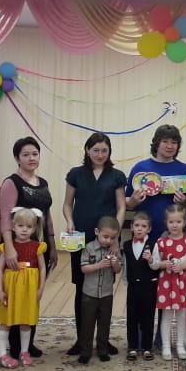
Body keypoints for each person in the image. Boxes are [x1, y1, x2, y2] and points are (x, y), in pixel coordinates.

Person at [63, 133, 127, 355]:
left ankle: (103, 341)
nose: (100, 155)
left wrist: (115, 236)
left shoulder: (117, 176)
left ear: (109, 152)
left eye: (104, 150)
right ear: (87, 150)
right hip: (81, 238)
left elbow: (121, 207)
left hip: (108, 239)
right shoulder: (75, 174)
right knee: (82, 288)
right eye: (96, 150)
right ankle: (82, 341)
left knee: (104, 290)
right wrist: (69, 221)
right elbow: (67, 204)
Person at [0, 136, 57, 359]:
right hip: (18, 247)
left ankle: (27, 344)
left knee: (32, 293)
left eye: (35, 154)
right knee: (16, 293)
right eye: (26, 154)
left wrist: (52, 245)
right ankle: (15, 345)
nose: (31, 158)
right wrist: (9, 248)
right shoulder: (11, 183)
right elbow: (5, 217)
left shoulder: (43, 183)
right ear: (17, 158)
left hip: (38, 247)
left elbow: (47, 217)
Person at [0, 207, 47, 368]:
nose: (24, 229)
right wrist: (0, 290)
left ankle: (24, 351)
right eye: (20, 226)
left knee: (26, 320)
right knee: (6, 321)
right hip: (10, 289)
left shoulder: (38, 246)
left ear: (34, 228)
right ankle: (2, 353)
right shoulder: (7, 248)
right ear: (13, 226)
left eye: (29, 226)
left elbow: (42, 269)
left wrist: (41, 288)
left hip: (28, 290)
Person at [126, 124, 186, 242]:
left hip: (176, 235)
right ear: (156, 143)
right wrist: (132, 202)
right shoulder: (140, 168)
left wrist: (184, 202)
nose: (169, 146)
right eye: (165, 141)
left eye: (174, 142)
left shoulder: (185, 170)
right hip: (144, 233)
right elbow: (126, 202)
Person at [151, 203, 186, 360]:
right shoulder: (161, 242)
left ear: (184, 222)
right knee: (166, 315)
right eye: (171, 222)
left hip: (184, 281)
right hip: (167, 282)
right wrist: (166, 264)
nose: (175, 225)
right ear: (166, 223)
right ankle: (166, 346)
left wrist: (182, 266)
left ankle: (180, 345)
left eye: (178, 221)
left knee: (182, 315)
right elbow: (156, 263)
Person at [78, 215, 123, 364]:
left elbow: (118, 270)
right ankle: (85, 352)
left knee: (104, 324)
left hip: (106, 294)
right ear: (97, 232)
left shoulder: (114, 250)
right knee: (87, 324)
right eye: (105, 237)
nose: (108, 241)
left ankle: (103, 350)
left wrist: (115, 263)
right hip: (89, 294)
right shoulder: (89, 247)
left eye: (112, 238)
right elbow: (84, 268)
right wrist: (99, 265)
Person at [123, 211, 158, 361]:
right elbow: (126, 265)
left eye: (143, 226)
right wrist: (126, 281)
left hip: (149, 286)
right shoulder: (126, 245)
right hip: (133, 287)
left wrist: (150, 260)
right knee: (132, 317)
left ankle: (147, 347)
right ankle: (132, 347)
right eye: (137, 225)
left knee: (147, 317)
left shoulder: (154, 244)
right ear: (131, 227)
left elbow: (157, 265)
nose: (139, 229)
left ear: (149, 229)